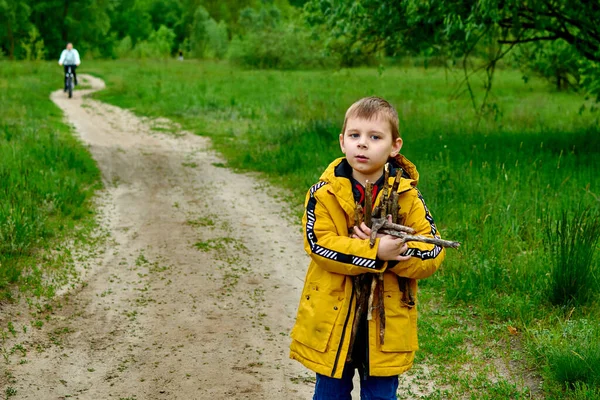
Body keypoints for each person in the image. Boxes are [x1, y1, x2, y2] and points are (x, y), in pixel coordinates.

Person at [289, 96, 446, 400]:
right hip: (333, 321)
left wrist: (392, 254)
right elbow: (319, 244)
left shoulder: (408, 197)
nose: (363, 144)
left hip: (386, 325)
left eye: (375, 137)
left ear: (394, 145)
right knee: (330, 395)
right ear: (342, 142)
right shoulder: (323, 193)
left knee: (381, 396)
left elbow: (432, 251)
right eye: (355, 135)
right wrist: (374, 252)